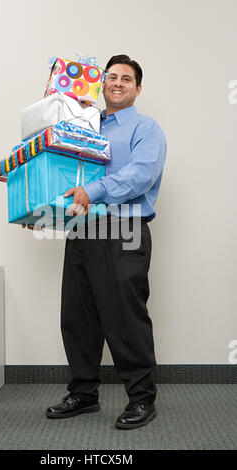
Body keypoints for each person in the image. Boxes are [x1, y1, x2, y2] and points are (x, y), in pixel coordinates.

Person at [24, 54, 167, 429]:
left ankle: (141, 399)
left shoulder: (145, 129)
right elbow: (62, 174)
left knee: (124, 318)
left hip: (124, 230)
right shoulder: (81, 124)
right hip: (82, 229)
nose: (117, 82)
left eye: (126, 78)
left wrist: (94, 189)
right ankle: (84, 393)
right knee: (77, 315)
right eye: (111, 77)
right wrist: (40, 211)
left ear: (138, 88)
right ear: (101, 84)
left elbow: (141, 176)